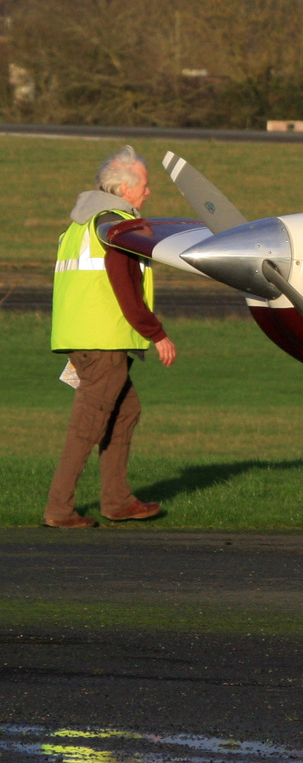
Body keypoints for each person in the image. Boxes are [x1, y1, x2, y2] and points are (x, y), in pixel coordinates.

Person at [45, 145, 178, 528]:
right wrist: (157, 333)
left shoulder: (79, 225)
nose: (148, 193)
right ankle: (59, 510)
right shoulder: (117, 224)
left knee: (126, 410)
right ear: (123, 190)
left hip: (83, 337)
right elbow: (125, 285)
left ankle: (117, 500)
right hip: (102, 341)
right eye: (145, 186)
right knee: (87, 425)